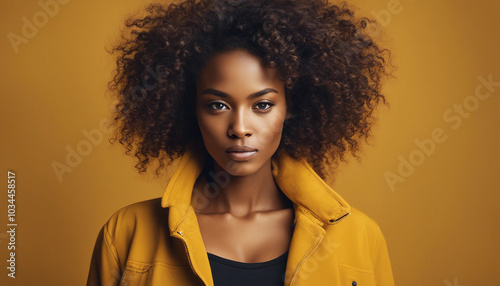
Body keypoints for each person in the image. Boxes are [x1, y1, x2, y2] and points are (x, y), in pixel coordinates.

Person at [87, 0, 395, 285]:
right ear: (188, 108)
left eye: (262, 105)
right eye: (218, 105)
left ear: (293, 108)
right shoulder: (128, 233)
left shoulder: (360, 237)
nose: (239, 128)